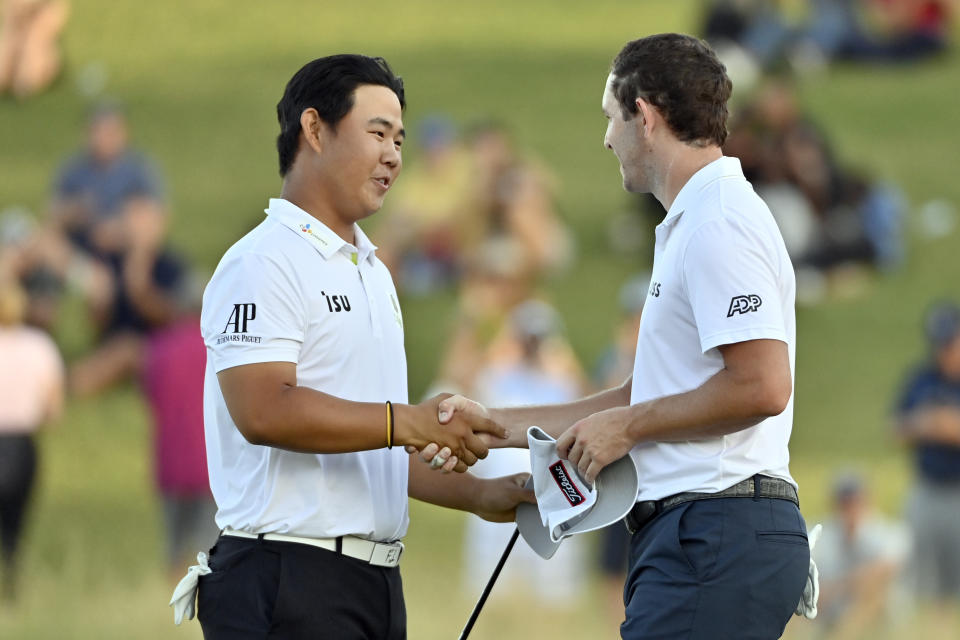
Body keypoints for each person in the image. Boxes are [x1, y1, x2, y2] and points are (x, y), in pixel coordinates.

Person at [429, 33, 811, 639]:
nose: (607, 138)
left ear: (646, 117)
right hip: (700, 535)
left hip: (714, 531)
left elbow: (762, 387)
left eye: (611, 118)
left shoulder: (719, 221)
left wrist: (628, 428)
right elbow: (639, 396)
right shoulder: (696, 220)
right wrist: (493, 423)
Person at [192, 54, 532, 639]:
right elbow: (263, 409)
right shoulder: (262, 260)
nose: (394, 154)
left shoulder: (372, 270)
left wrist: (477, 494)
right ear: (315, 129)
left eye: (399, 139)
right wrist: (411, 422)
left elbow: (371, 439)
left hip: (372, 584)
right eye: (377, 133)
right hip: (285, 575)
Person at [894, 300, 960, 636]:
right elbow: (897, 426)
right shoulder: (921, 379)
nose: (944, 350)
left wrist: (949, 427)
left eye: (950, 342)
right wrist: (923, 424)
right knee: (928, 580)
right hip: (928, 488)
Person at [0, 279, 64, 602]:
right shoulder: (39, 346)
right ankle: (11, 581)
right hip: (22, 444)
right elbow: (53, 409)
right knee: (15, 520)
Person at [813, 472, 910, 639]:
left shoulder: (889, 531)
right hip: (830, 609)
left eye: (855, 502)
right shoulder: (822, 533)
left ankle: (844, 635)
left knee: (875, 590)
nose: (850, 510)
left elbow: (885, 570)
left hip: (876, 614)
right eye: (845, 503)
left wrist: (841, 586)